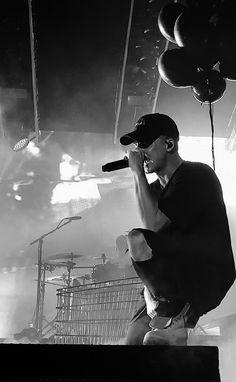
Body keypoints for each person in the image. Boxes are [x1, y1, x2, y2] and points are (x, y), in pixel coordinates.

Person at [119, 113, 236, 345]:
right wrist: (148, 290)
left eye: (145, 144)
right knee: (133, 339)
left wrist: (137, 172)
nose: (139, 152)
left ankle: (178, 324)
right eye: (136, 145)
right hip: (176, 276)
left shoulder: (197, 175)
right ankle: (173, 331)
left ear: (169, 144)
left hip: (206, 273)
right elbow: (158, 249)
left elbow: (154, 227)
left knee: (136, 239)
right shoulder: (153, 190)